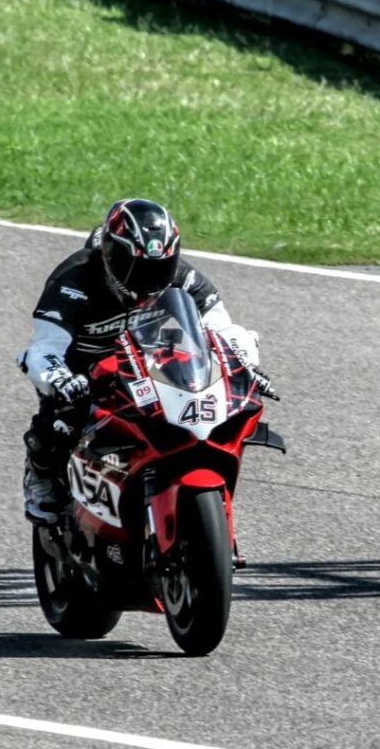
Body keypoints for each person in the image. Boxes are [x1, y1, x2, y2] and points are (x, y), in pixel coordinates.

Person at [17, 197, 277, 524]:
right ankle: (40, 476)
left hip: (151, 365)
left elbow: (222, 329)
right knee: (60, 419)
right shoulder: (74, 280)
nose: (151, 278)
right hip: (84, 372)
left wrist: (245, 365)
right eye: (137, 266)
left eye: (161, 267)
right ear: (112, 254)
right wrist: (60, 377)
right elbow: (44, 346)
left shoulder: (184, 277)